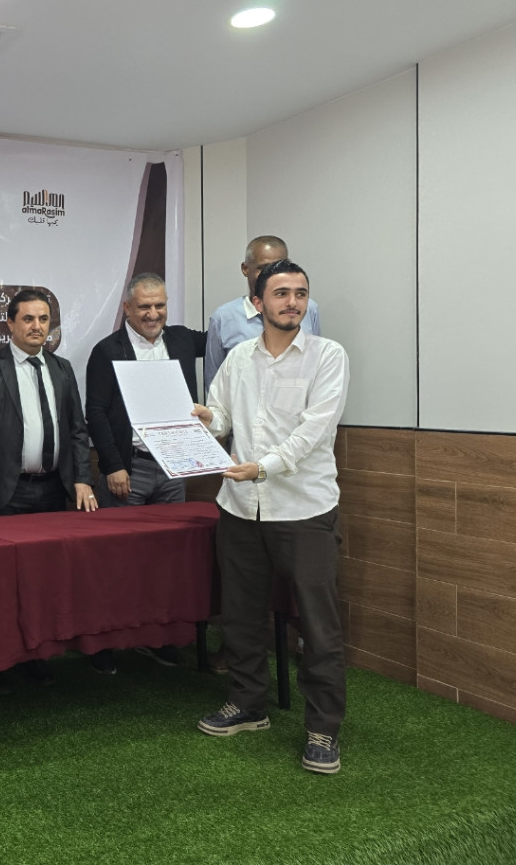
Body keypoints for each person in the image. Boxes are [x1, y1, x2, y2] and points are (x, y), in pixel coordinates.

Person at [192, 258, 349, 775]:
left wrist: (263, 467)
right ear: (257, 303)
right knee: (241, 614)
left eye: (300, 293)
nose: (293, 302)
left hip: (304, 508)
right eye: (281, 294)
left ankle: (323, 728)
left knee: (318, 624)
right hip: (240, 507)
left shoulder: (328, 356)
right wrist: (205, 418)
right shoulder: (239, 357)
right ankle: (248, 704)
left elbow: (314, 433)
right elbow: (223, 417)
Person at [0, 287, 96, 690]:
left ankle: (37, 656)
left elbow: (77, 430)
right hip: (6, 493)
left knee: (45, 580)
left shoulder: (62, 368)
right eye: (28, 319)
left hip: (53, 490)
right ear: (10, 323)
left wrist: (82, 478)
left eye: (44, 319)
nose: (37, 326)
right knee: (2, 583)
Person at [84, 272, 206, 671]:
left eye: (160, 305)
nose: (153, 314)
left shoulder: (183, 341)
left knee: (166, 563)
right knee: (116, 561)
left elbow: (230, 334)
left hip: (173, 469)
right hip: (129, 469)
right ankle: (105, 645)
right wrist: (113, 466)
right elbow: (96, 412)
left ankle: (159, 639)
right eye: (144, 307)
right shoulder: (108, 350)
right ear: (126, 309)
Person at [203, 236, 321, 390]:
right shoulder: (223, 318)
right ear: (245, 269)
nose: (271, 275)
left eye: (279, 268)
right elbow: (214, 384)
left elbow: (315, 363)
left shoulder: (307, 308)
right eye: (263, 268)